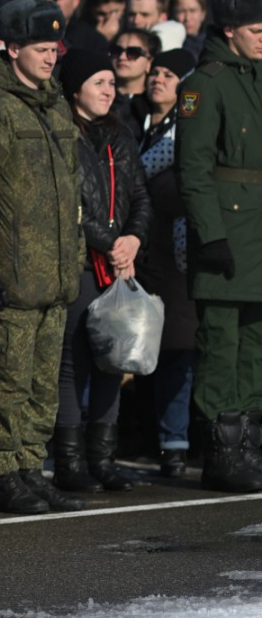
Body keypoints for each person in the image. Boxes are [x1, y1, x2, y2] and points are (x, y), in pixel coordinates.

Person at [0, 0, 87, 516]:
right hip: (16, 275)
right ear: (11, 47)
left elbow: (72, 192)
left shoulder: (55, 105)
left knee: (44, 384)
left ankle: (29, 465)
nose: (51, 58)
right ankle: (3, 473)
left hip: (57, 273)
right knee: (11, 383)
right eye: (41, 49)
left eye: (55, 49)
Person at [176, 0, 262, 492]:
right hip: (226, 232)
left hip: (258, 230)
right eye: (256, 30)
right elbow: (193, 170)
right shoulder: (202, 84)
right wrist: (210, 235)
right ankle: (223, 451)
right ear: (229, 31)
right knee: (220, 343)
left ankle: (248, 441)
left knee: (255, 341)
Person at [51, 49, 148, 494]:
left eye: (112, 82)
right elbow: (69, 203)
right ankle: (70, 462)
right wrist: (109, 242)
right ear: (75, 90)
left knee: (116, 357)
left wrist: (132, 240)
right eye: (99, 83)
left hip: (119, 263)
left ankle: (103, 459)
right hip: (80, 262)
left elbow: (141, 196)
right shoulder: (61, 134)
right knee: (74, 362)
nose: (109, 91)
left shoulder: (121, 136)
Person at [136, 48, 198, 477]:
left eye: (169, 74)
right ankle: (144, 437)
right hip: (141, 255)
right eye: (155, 71)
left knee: (178, 351)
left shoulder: (186, 132)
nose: (158, 79)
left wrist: (155, 191)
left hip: (176, 259)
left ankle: (175, 443)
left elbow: (179, 188)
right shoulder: (133, 121)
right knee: (138, 351)